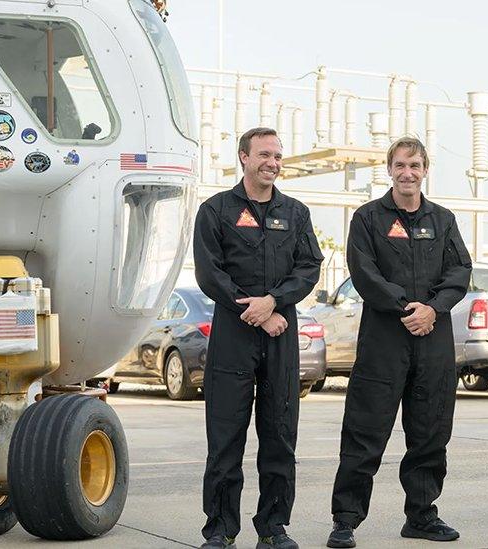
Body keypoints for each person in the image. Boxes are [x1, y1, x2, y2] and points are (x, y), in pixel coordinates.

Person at [326, 137, 473, 548]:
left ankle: (422, 515)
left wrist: (433, 308)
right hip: (384, 340)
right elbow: (364, 271)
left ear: (425, 169)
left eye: (415, 165)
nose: (408, 172)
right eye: (400, 165)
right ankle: (346, 519)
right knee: (365, 430)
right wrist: (406, 307)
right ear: (389, 170)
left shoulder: (442, 220)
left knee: (430, 432)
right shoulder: (369, 218)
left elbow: (460, 270)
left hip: (433, 340)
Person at [194, 127, 324, 549]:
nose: (273, 162)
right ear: (244, 157)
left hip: (280, 335)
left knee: (280, 437)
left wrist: (273, 302)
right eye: (265, 154)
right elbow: (210, 273)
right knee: (226, 438)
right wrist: (254, 311)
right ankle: (219, 528)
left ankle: (273, 527)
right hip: (234, 335)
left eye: (278, 156)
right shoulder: (215, 210)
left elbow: (308, 268)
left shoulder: (297, 213)